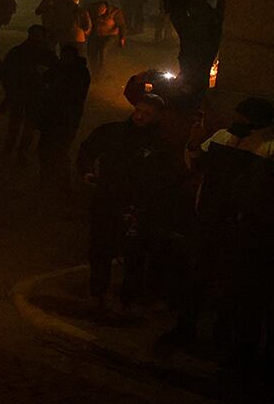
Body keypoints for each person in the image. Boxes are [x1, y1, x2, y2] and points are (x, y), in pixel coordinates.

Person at [165, 97, 274, 348]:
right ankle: (185, 328)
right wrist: (194, 139)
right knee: (197, 277)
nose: (238, 122)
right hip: (210, 219)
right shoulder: (223, 137)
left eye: (245, 120)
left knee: (233, 286)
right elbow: (196, 162)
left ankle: (223, 339)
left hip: (244, 227)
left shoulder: (268, 147)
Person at [77, 94, 187, 312]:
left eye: (147, 114)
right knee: (100, 247)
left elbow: (171, 174)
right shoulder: (114, 132)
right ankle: (97, 292)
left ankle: (127, 300)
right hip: (106, 199)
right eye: (139, 111)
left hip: (138, 206)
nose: (140, 117)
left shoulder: (160, 145)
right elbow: (88, 149)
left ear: (156, 117)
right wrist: (87, 171)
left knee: (134, 253)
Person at [37, 43, 91, 192]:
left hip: (67, 119)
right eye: (64, 55)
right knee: (45, 150)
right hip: (51, 117)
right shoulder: (57, 67)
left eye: (68, 56)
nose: (65, 58)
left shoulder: (80, 72)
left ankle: (63, 184)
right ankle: (45, 181)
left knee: (60, 151)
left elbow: (74, 94)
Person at [0, 25, 54, 158]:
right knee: (15, 124)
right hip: (19, 93)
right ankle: (9, 151)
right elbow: (6, 72)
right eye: (34, 34)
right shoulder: (17, 52)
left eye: (39, 35)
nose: (36, 37)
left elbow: (55, 74)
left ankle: (21, 153)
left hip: (36, 95)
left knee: (29, 126)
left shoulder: (48, 55)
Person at [86, 0, 125, 72]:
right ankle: (94, 70)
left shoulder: (115, 12)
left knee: (103, 50)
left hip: (110, 36)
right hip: (95, 34)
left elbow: (121, 25)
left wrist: (122, 38)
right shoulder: (91, 10)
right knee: (92, 52)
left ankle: (101, 71)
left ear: (105, 9)